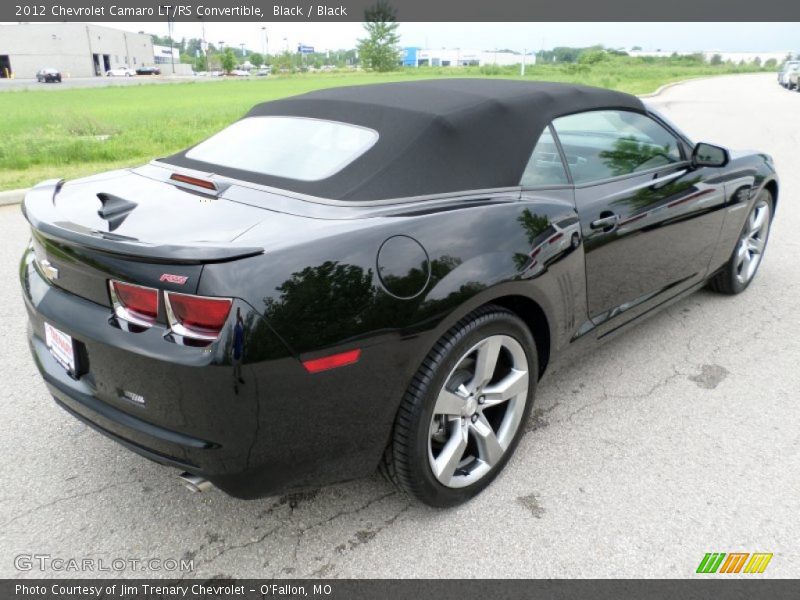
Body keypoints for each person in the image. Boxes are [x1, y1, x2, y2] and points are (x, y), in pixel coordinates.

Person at [232, 308, 245, 392]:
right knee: (234, 369)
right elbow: (233, 340)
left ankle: (240, 378)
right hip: (235, 352)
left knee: (239, 367)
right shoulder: (236, 328)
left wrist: (242, 321)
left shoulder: (241, 328)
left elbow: (243, 337)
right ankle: (235, 384)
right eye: (238, 318)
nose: (239, 319)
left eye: (239, 319)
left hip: (240, 351)